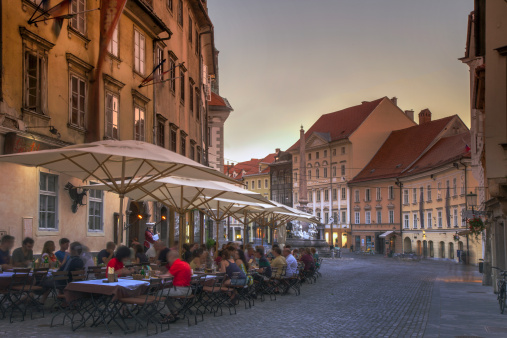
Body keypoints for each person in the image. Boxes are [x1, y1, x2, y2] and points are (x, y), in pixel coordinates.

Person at [159, 249, 192, 323]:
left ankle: (168, 315)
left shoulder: (176, 264)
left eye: (168, 258)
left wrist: (158, 275)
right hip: (188, 289)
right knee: (166, 294)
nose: (168, 260)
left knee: (158, 295)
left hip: (180, 289)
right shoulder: (185, 263)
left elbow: (167, 276)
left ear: (171, 256)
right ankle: (174, 312)